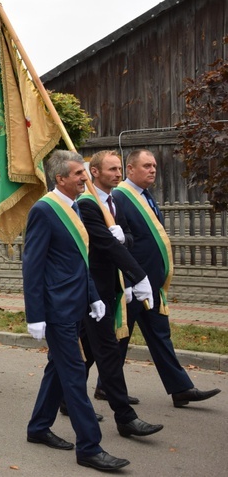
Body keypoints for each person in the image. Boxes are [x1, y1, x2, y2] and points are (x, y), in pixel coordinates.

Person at [23, 150, 129, 471]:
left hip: (77, 303)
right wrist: (35, 315)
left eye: (84, 173)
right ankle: (89, 446)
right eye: (79, 174)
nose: (85, 178)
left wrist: (94, 296)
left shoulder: (73, 207)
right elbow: (32, 265)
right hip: (56, 310)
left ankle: (39, 427)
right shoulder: (45, 210)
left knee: (58, 368)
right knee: (73, 376)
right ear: (60, 179)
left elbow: (79, 260)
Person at [112, 149, 221, 407]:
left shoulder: (146, 195)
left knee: (160, 335)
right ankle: (105, 386)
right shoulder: (120, 197)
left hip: (151, 284)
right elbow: (119, 244)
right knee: (119, 338)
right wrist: (128, 281)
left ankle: (181, 389)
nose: (152, 170)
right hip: (133, 282)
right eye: (147, 165)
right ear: (130, 169)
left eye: (154, 166)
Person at [76, 150, 164, 437]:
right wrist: (138, 276)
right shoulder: (87, 205)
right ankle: (125, 417)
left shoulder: (114, 202)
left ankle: (59, 402)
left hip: (112, 288)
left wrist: (123, 236)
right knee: (108, 352)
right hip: (92, 292)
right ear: (95, 173)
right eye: (111, 169)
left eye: (118, 169)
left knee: (85, 353)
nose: (117, 174)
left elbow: (128, 237)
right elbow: (106, 246)